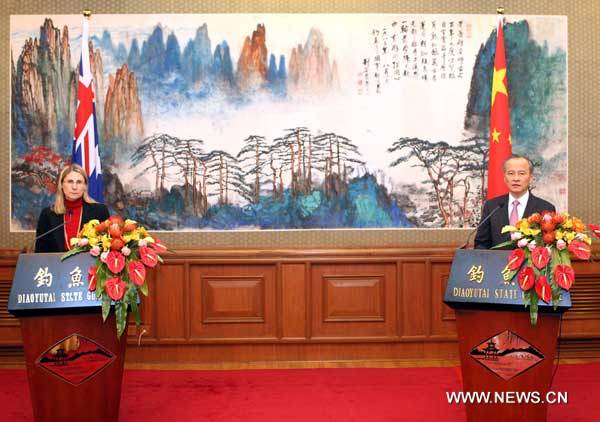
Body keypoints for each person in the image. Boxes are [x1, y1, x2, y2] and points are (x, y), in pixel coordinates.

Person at [474, 154, 555, 249]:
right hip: (497, 263)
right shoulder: (492, 206)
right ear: (504, 178)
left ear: (531, 178)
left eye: (521, 173)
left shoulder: (545, 208)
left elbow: (549, 246)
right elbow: (481, 243)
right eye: (511, 173)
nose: (516, 178)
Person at [35, 164, 110, 253]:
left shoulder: (100, 211)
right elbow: (40, 251)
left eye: (79, 182)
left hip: (88, 265)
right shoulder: (48, 214)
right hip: (56, 265)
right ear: (61, 185)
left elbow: (107, 247)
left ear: (85, 186)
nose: (74, 187)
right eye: (70, 181)